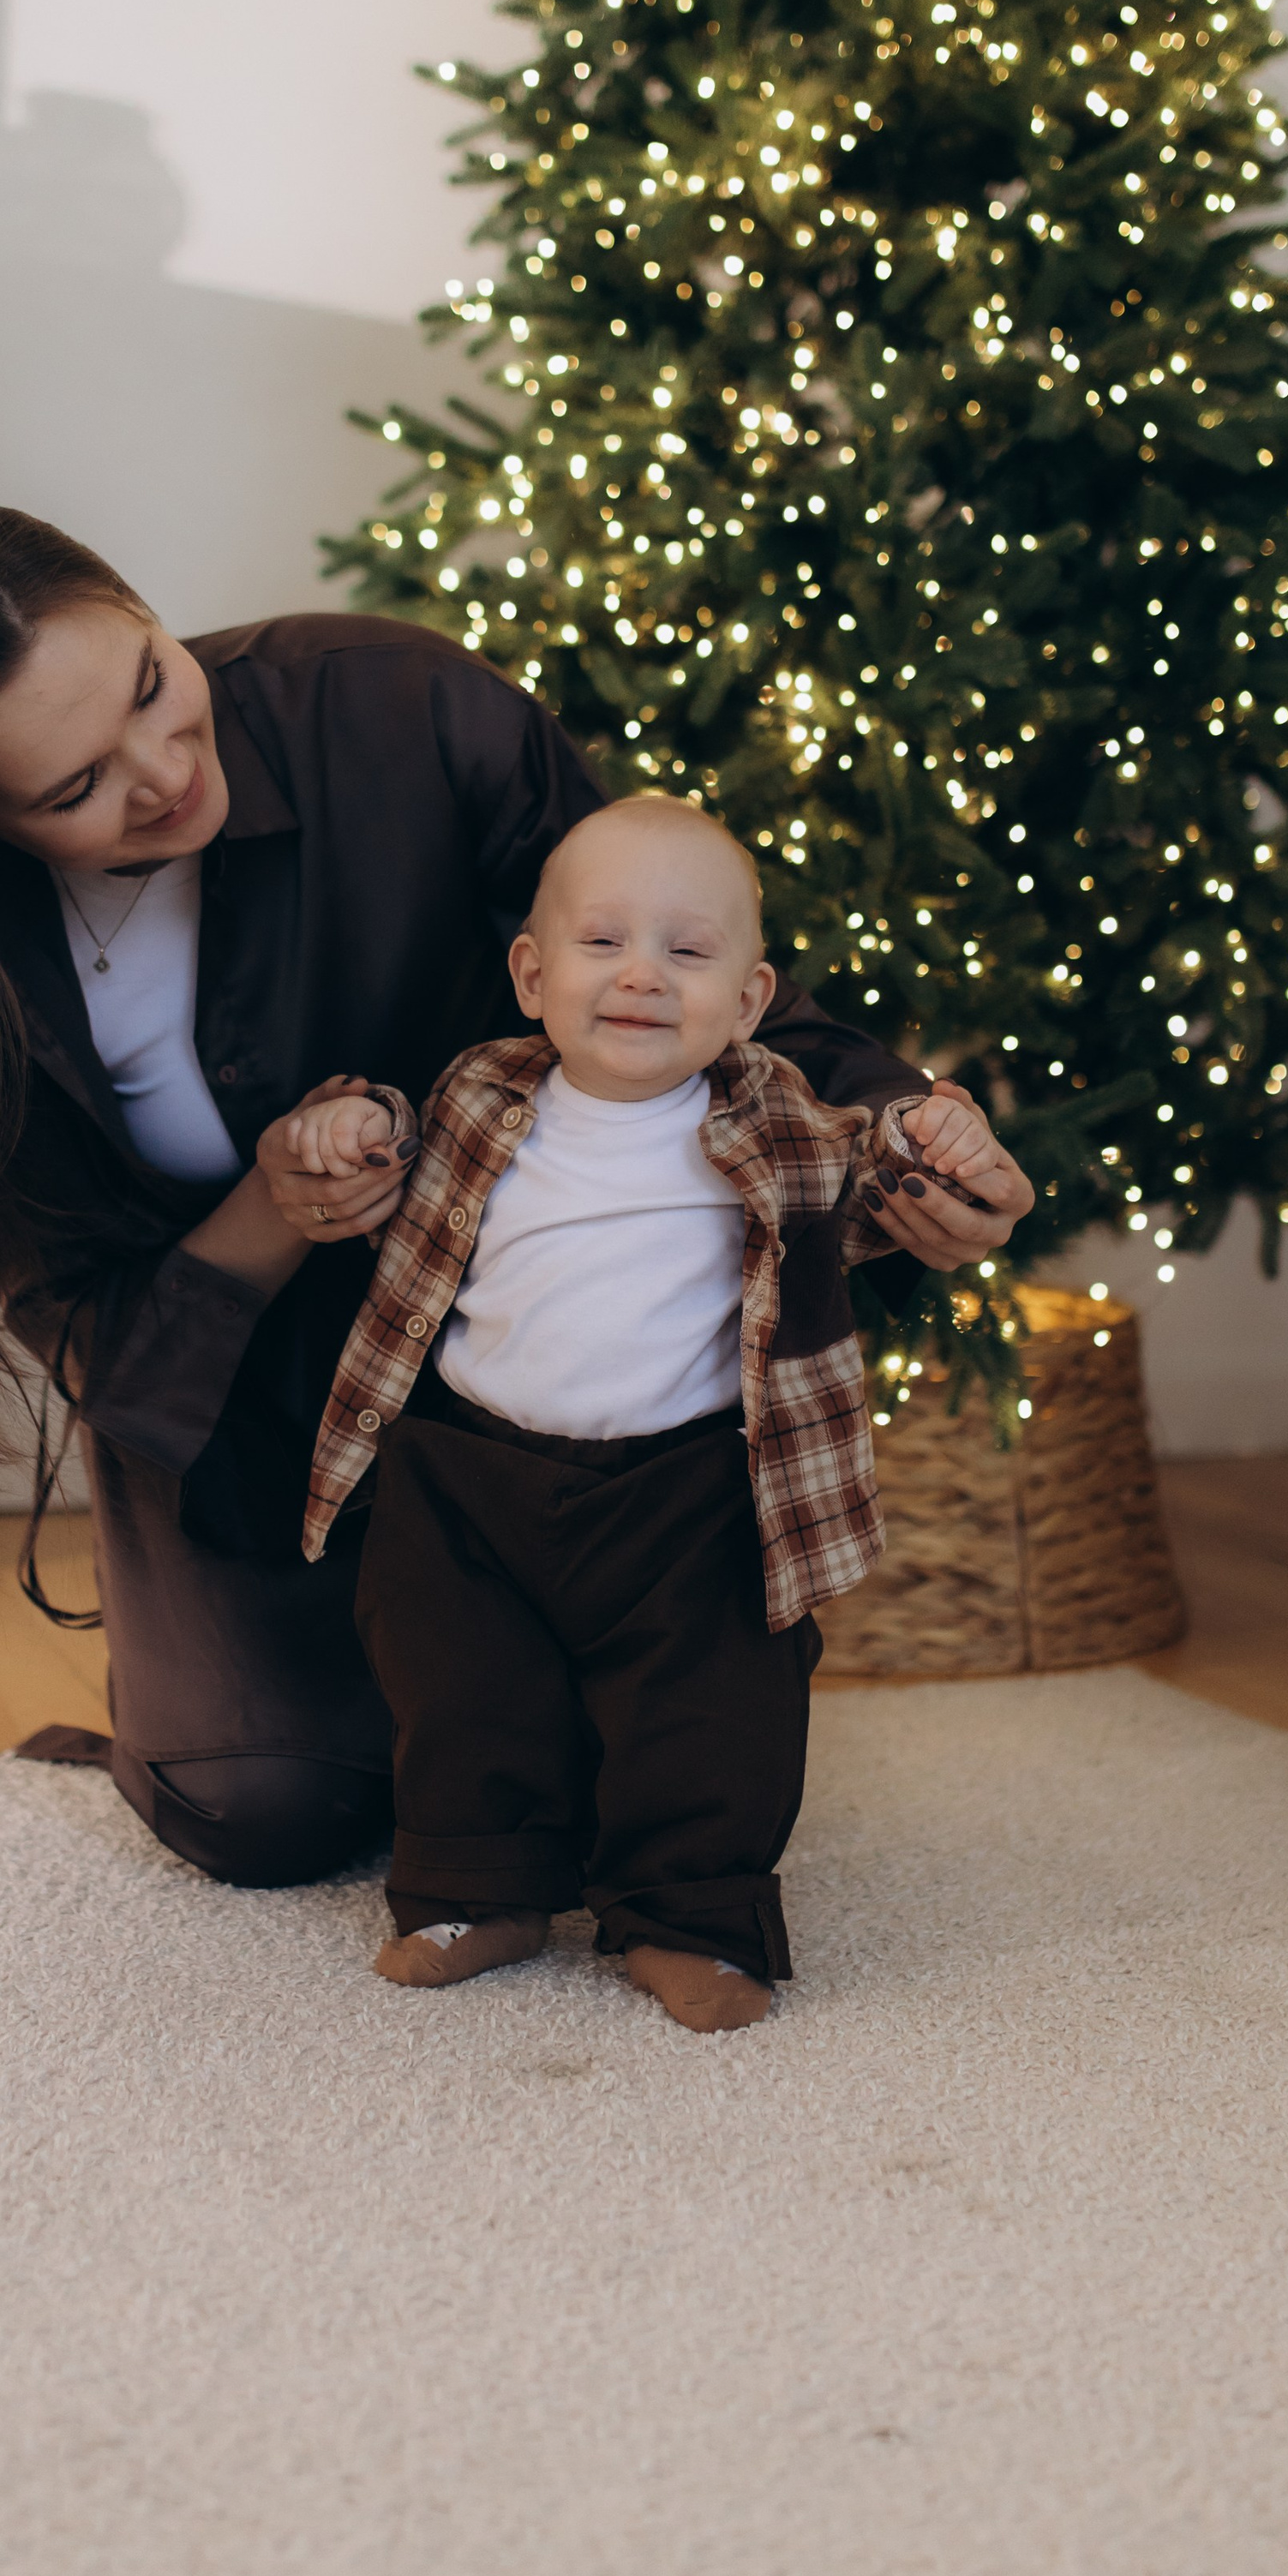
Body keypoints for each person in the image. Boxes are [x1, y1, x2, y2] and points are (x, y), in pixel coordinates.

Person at [0, 502, 1033, 1894]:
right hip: (242, 1432)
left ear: (142, 605)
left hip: (520, 1385)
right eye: (76, 791)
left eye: (152, 682)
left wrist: (913, 1140)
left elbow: (678, 977)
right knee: (269, 1811)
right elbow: (111, 1358)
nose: (165, 772)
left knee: (635, 1757)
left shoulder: (397, 709)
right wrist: (276, 1210)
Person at [293, 796, 1019, 2030]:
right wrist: (348, 1128)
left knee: (718, 1705)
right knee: (462, 1685)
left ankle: (692, 1915)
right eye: (602, 944)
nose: (641, 977)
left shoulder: (776, 1117)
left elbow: (879, 1173)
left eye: (687, 954)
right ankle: (481, 1889)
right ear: (531, 974)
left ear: (745, 1000)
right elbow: (393, 1164)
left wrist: (936, 1141)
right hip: (474, 1471)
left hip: (692, 1488)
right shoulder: (481, 1094)